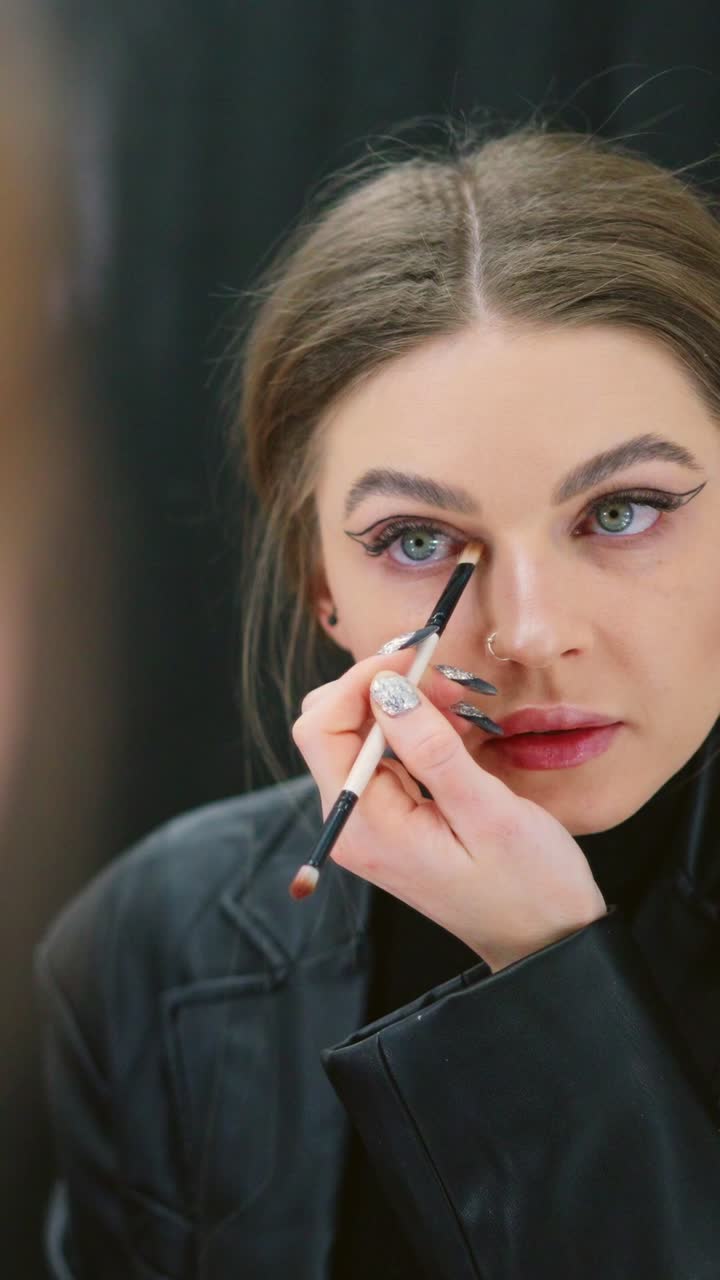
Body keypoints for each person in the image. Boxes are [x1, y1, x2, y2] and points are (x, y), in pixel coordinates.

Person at [37, 124, 720, 1280]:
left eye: (622, 510)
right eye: (416, 537)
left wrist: (542, 962)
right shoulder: (149, 944)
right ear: (320, 584)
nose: (532, 631)